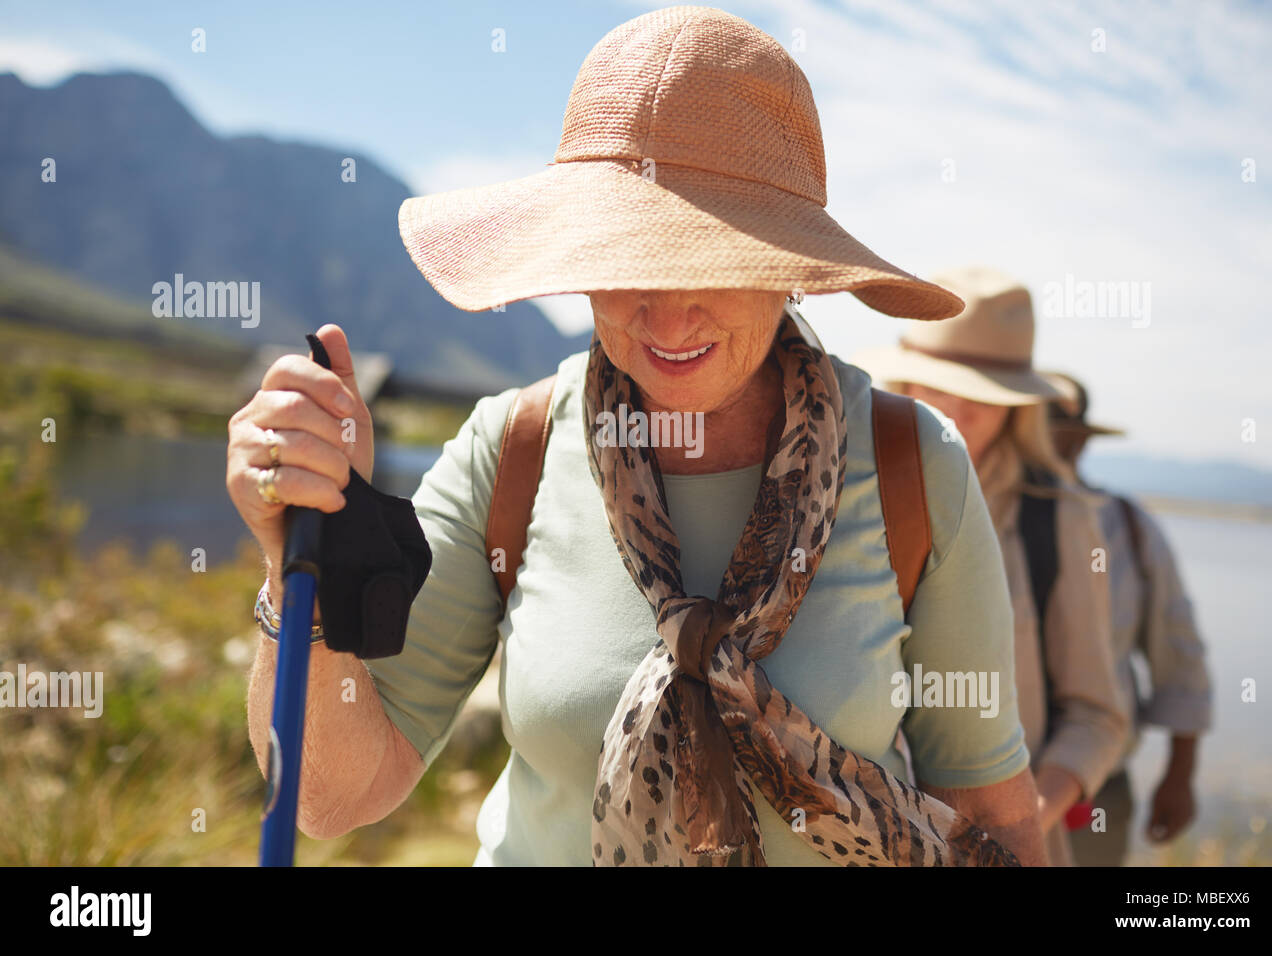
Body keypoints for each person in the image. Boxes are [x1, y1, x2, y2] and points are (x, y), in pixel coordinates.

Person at [226, 7, 1047, 866]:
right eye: (624, 253)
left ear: (788, 263)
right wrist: (298, 561)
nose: (664, 310)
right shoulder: (515, 450)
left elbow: (997, 819)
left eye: (708, 253)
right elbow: (333, 796)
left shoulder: (915, 467)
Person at [855, 267, 1129, 866]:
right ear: (901, 380)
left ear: (1018, 408)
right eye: (940, 387)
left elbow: (1098, 717)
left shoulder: (1058, 521)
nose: (959, 413)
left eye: (984, 395)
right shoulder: (839, 494)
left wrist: (1007, 823)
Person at [1043, 371, 1212, 866]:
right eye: (1052, 433)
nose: (1064, 448)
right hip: (986, 784)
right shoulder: (976, 515)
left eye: (1074, 438)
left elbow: (1181, 657)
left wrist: (1179, 776)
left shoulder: (1132, 529)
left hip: (1099, 791)